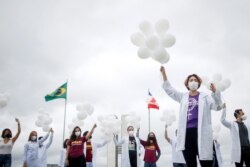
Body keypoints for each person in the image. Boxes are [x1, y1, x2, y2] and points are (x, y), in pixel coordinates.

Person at [160, 66, 223, 167]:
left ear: (198, 83)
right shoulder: (183, 96)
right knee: (190, 163)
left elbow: (218, 106)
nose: (193, 81)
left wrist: (215, 93)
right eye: (191, 80)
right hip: (187, 134)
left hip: (202, 132)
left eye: (195, 80)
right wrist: (164, 74)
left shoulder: (206, 97)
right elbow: (170, 90)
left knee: (206, 163)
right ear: (187, 84)